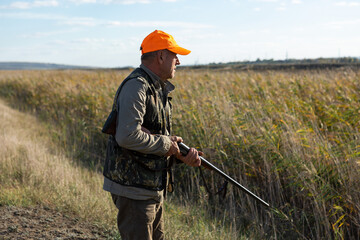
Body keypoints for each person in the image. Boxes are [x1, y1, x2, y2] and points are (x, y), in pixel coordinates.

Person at [102, 30, 202, 240]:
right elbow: (127, 136)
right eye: (175, 55)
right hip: (134, 189)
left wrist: (177, 151)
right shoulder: (137, 86)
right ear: (161, 56)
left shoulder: (155, 87)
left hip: (149, 186)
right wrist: (166, 145)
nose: (179, 61)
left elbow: (153, 137)